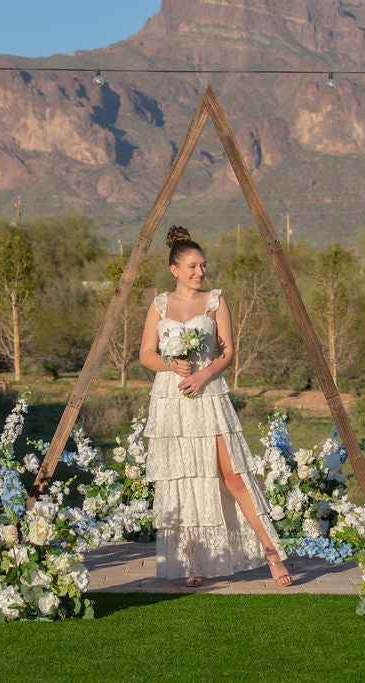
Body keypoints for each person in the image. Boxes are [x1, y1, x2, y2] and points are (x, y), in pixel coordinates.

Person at [139, 226, 292, 588]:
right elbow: (146, 354)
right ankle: (193, 559)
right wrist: (171, 365)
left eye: (203, 266)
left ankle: (272, 552)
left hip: (208, 395)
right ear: (174, 269)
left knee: (233, 475)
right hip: (172, 399)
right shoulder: (160, 304)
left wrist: (204, 374)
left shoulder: (215, 301)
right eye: (192, 266)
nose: (200, 272)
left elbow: (228, 352)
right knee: (186, 480)